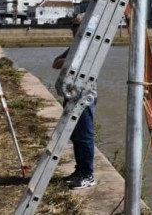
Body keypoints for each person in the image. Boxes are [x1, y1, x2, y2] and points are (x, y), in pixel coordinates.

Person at [52, 13, 97, 190]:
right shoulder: (75, 47)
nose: (73, 29)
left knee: (85, 136)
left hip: (85, 97)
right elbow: (55, 63)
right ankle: (80, 171)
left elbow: (77, 65)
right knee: (76, 136)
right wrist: (70, 61)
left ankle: (88, 175)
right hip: (71, 94)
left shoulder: (90, 46)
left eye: (77, 25)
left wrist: (69, 62)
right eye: (72, 25)